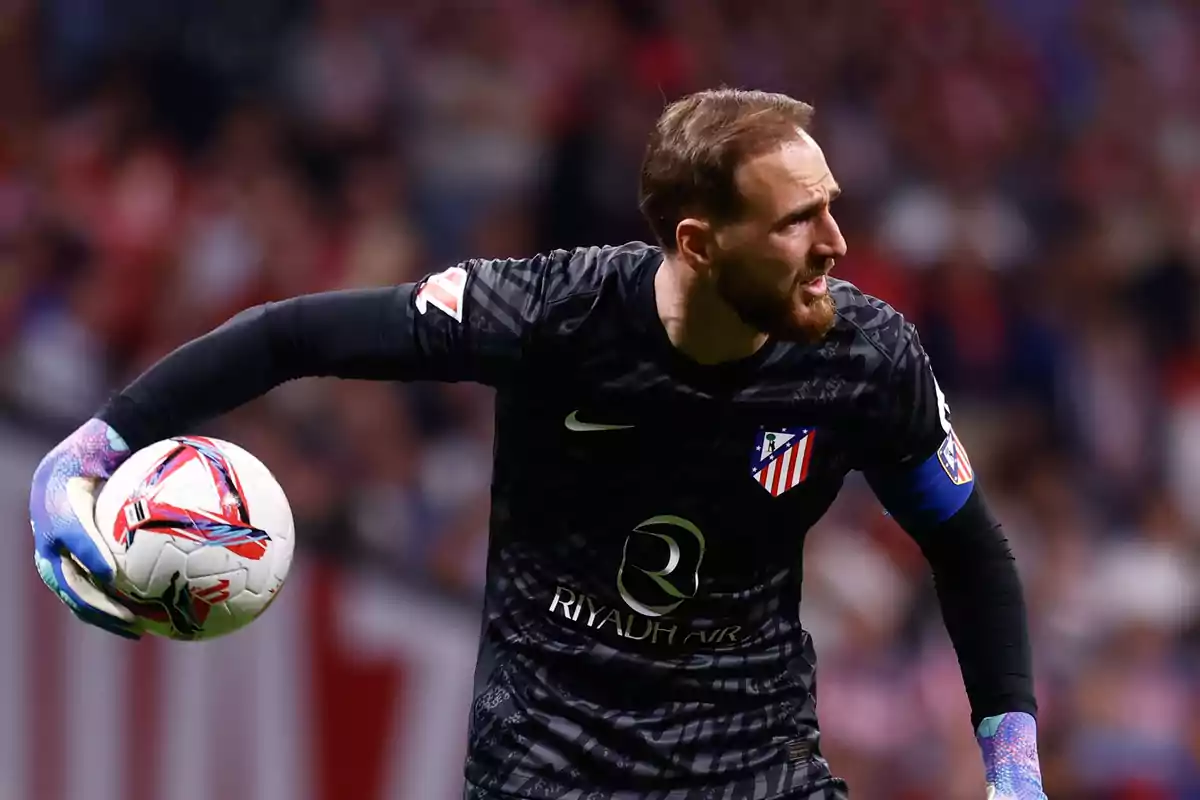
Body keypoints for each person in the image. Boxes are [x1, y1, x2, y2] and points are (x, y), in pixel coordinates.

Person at [29, 89, 1046, 799]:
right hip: (549, 770)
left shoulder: (867, 354)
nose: (836, 242)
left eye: (832, 207)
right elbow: (294, 335)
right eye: (797, 220)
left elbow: (969, 547)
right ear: (698, 242)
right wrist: (89, 449)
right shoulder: (550, 312)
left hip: (752, 764)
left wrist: (1012, 766)